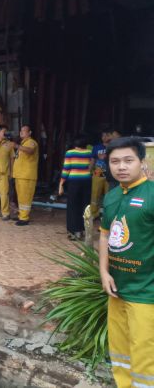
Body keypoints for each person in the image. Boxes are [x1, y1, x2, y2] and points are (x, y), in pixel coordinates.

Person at [99, 137, 154, 387]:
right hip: (117, 289)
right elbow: (105, 236)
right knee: (120, 350)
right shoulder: (111, 196)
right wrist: (103, 271)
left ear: (142, 162)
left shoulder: (151, 194)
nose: (121, 166)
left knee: (145, 354)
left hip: (146, 292)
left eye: (128, 160)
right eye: (115, 161)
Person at [58, 134, 92, 240]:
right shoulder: (89, 152)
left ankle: (74, 232)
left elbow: (66, 169)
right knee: (85, 206)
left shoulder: (70, 153)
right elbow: (91, 167)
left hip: (74, 182)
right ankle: (83, 231)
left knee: (73, 206)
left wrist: (61, 184)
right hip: (87, 181)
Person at [12, 125, 39, 226]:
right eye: (21, 130)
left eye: (24, 130)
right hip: (20, 175)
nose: (21, 132)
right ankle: (21, 215)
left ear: (29, 132)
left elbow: (30, 151)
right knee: (20, 197)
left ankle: (24, 218)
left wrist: (16, 146)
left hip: (27, 175)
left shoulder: (31, 142)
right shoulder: (22, 143)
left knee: (25, 197)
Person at [90, 130, 112, 218]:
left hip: (110, 174)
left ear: (111, 136)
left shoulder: (114, 147)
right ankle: (94, 214)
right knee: (95, 195)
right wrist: (89, 171)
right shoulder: (96, 147)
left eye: (107, 135)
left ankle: (107, 216)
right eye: (103, 136)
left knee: (109, 196)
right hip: (97, 173)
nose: (104, 137)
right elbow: (92, 160)